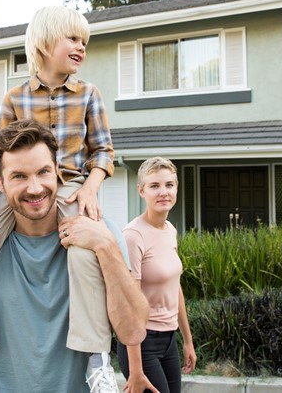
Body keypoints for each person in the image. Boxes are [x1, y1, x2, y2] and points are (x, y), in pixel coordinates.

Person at [0, 6, 117, 393]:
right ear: (45, 43)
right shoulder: (15, 97)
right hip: (15, 191)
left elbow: (104, 151)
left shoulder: (89, 94)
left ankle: (98, 361)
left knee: (85, 253)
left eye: (85, 41)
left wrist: (90, 188)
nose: (81, 47)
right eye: (73, 39)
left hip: (69, 190)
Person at [0, 119, 149, 392]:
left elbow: (134, 331)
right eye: (19, 176)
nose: (34, 188)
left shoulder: (100, 234)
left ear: (57, 170)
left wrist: (107, 247)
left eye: (43, 172)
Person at [117, 157, 197, 393]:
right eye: (154, 186)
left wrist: (188, 341)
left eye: (169, 185)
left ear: (176, 188)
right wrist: (136, 369)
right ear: (141, 191)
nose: (163, 192)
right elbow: (128, 304)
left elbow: (175, 287)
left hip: (169, 340)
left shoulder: (170, 230)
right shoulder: (133, 236)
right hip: (141, 343)